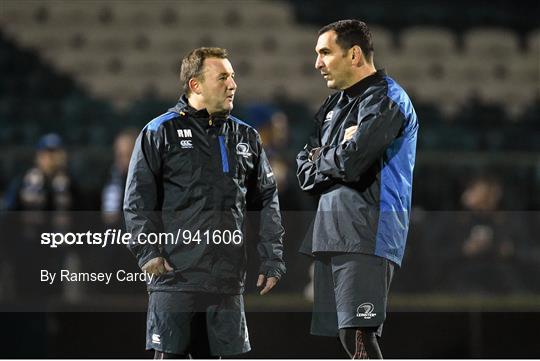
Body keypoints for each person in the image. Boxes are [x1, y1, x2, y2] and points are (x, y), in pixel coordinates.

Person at [124, 47, 285, 358]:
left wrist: (272, 257)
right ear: (195, 84)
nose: (233, 84)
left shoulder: (247, 137)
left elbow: (265, 201)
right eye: (222, 77)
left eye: (233, 77)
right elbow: (137, 200)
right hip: (174, 279)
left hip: (226, 282)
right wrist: (148, 253)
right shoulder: (159, 131)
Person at [296, 20, 418, 359]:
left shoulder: (387, 97)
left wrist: (325, 157)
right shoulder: (332, 107)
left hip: (368, 231)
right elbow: (304, 172)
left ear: (353, 54)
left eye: (324, 53)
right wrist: (334, 156)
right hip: (333, 232)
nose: (317, 63)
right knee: (350, 338)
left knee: (359, 335)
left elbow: (353, 163)